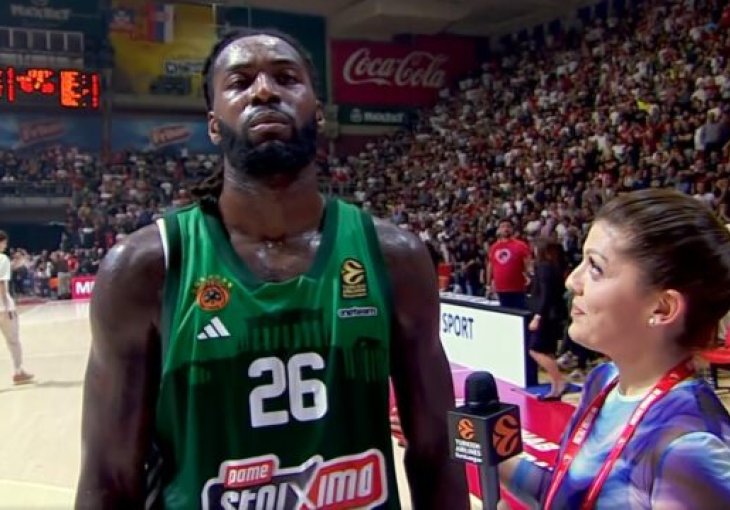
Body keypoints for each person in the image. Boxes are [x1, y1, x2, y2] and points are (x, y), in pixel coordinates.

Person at [76, 28, 468, 509]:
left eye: (286, 77)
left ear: (318, 111)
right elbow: (110, 477)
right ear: (213, 124)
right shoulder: (145, 268)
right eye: (240, 82)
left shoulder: (395, 257)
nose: (264, 91)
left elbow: (437, 453)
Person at [499, 189, 730, 509]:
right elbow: (567, 494)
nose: (572, 281)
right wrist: (478, 447)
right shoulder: (604, 379)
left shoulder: (689, 448)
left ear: (662, 308)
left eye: (595, 267)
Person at [527, 238, 568, 401]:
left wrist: (538, 316)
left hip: (546, 315)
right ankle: (555, 386)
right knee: (548, 351)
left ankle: (559, 381)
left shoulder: (544, 267)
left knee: (535, 350)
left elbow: (546, 295)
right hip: (554, 314)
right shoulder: (554, 267)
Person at [0, 231, 33, 385]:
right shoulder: (3, 258)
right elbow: (1, 283)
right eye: (4, 243)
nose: (6, 246)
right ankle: (18, 371)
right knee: (13, 341)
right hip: (3, 307)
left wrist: (16, 263)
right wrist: (6, 305)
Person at [486, 220, 531, 309]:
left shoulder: (521, 245)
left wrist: (528, 276)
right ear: (499, 230)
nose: (506, 229)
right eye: (503, 226)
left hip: (517, 288)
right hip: (501, 288)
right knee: (505, 312)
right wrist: (488, 284)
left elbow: (528, 263)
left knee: (519, 312)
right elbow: (490, 266)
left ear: (512, 229)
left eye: (508, 226)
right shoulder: (494, 247)